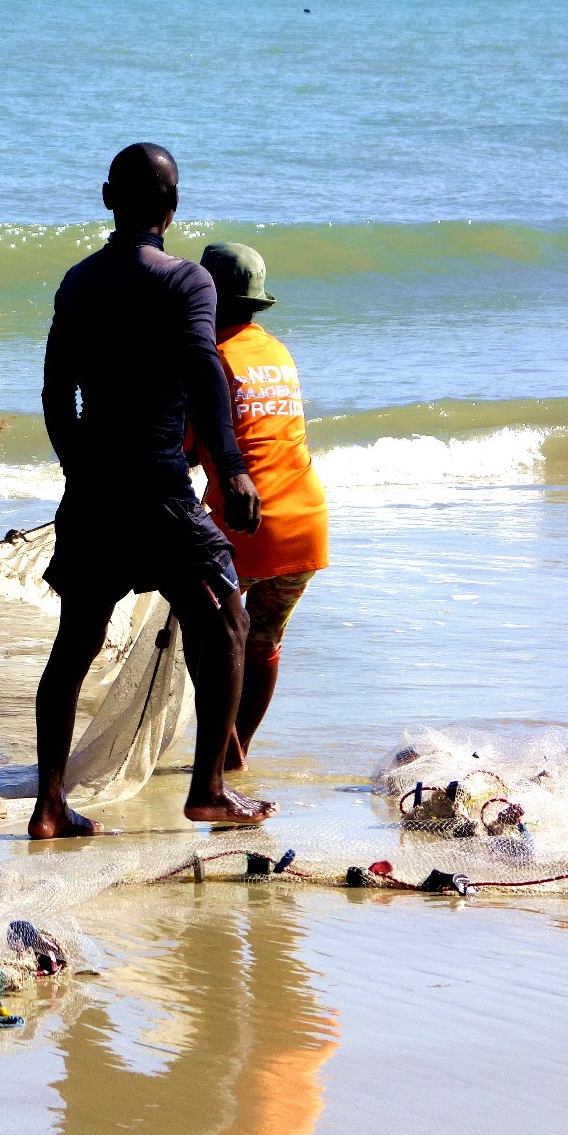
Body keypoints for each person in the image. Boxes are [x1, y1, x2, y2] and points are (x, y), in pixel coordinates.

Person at [31, 143, 278, 838]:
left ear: (107, 197)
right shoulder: (189, 283)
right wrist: (230, 464)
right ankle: (208, 790)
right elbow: (204, 367)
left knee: (75, 641)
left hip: (94, 491)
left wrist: (79, 469)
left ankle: (49, 804)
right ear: (173, 210)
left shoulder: (77, 283)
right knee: (228, 618)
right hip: (161, 490)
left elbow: (56, 394)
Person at [193, 243, 330, 771]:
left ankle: (223, 751)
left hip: (244, 525)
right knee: (264, 640)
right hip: (305, 521)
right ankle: (237, 752)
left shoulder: (209, 357)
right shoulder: (276, 351)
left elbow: (185, 446)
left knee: (212, 644)